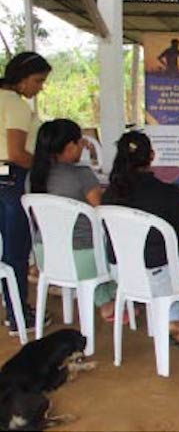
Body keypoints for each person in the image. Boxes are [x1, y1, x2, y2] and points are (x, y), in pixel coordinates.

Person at [102, 131, 179, 346]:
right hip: (158, 276)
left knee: (173, 264)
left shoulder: (108, 195)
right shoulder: (168, 193)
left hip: (122, 272)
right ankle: (172, 317)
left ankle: (167, 315)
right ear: (152, 156)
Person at [28, 119, 123, 323]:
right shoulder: (82, 175)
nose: (83, 146)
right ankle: (106, 301)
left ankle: (103, 296)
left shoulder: (33, 177)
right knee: (119, 239)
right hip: (82, 258)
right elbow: (102, 212)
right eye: (80, 142)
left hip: (46, 255)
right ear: (70, 146)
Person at [0, 51, 52, 336]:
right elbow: (18, 153)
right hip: (11, 179)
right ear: (21, 79)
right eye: (37, 80)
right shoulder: (16, 106)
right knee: (16, 250)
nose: (39, 87)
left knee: (4, 248)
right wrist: (46, 164)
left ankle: (11, 305)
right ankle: (19, 313)